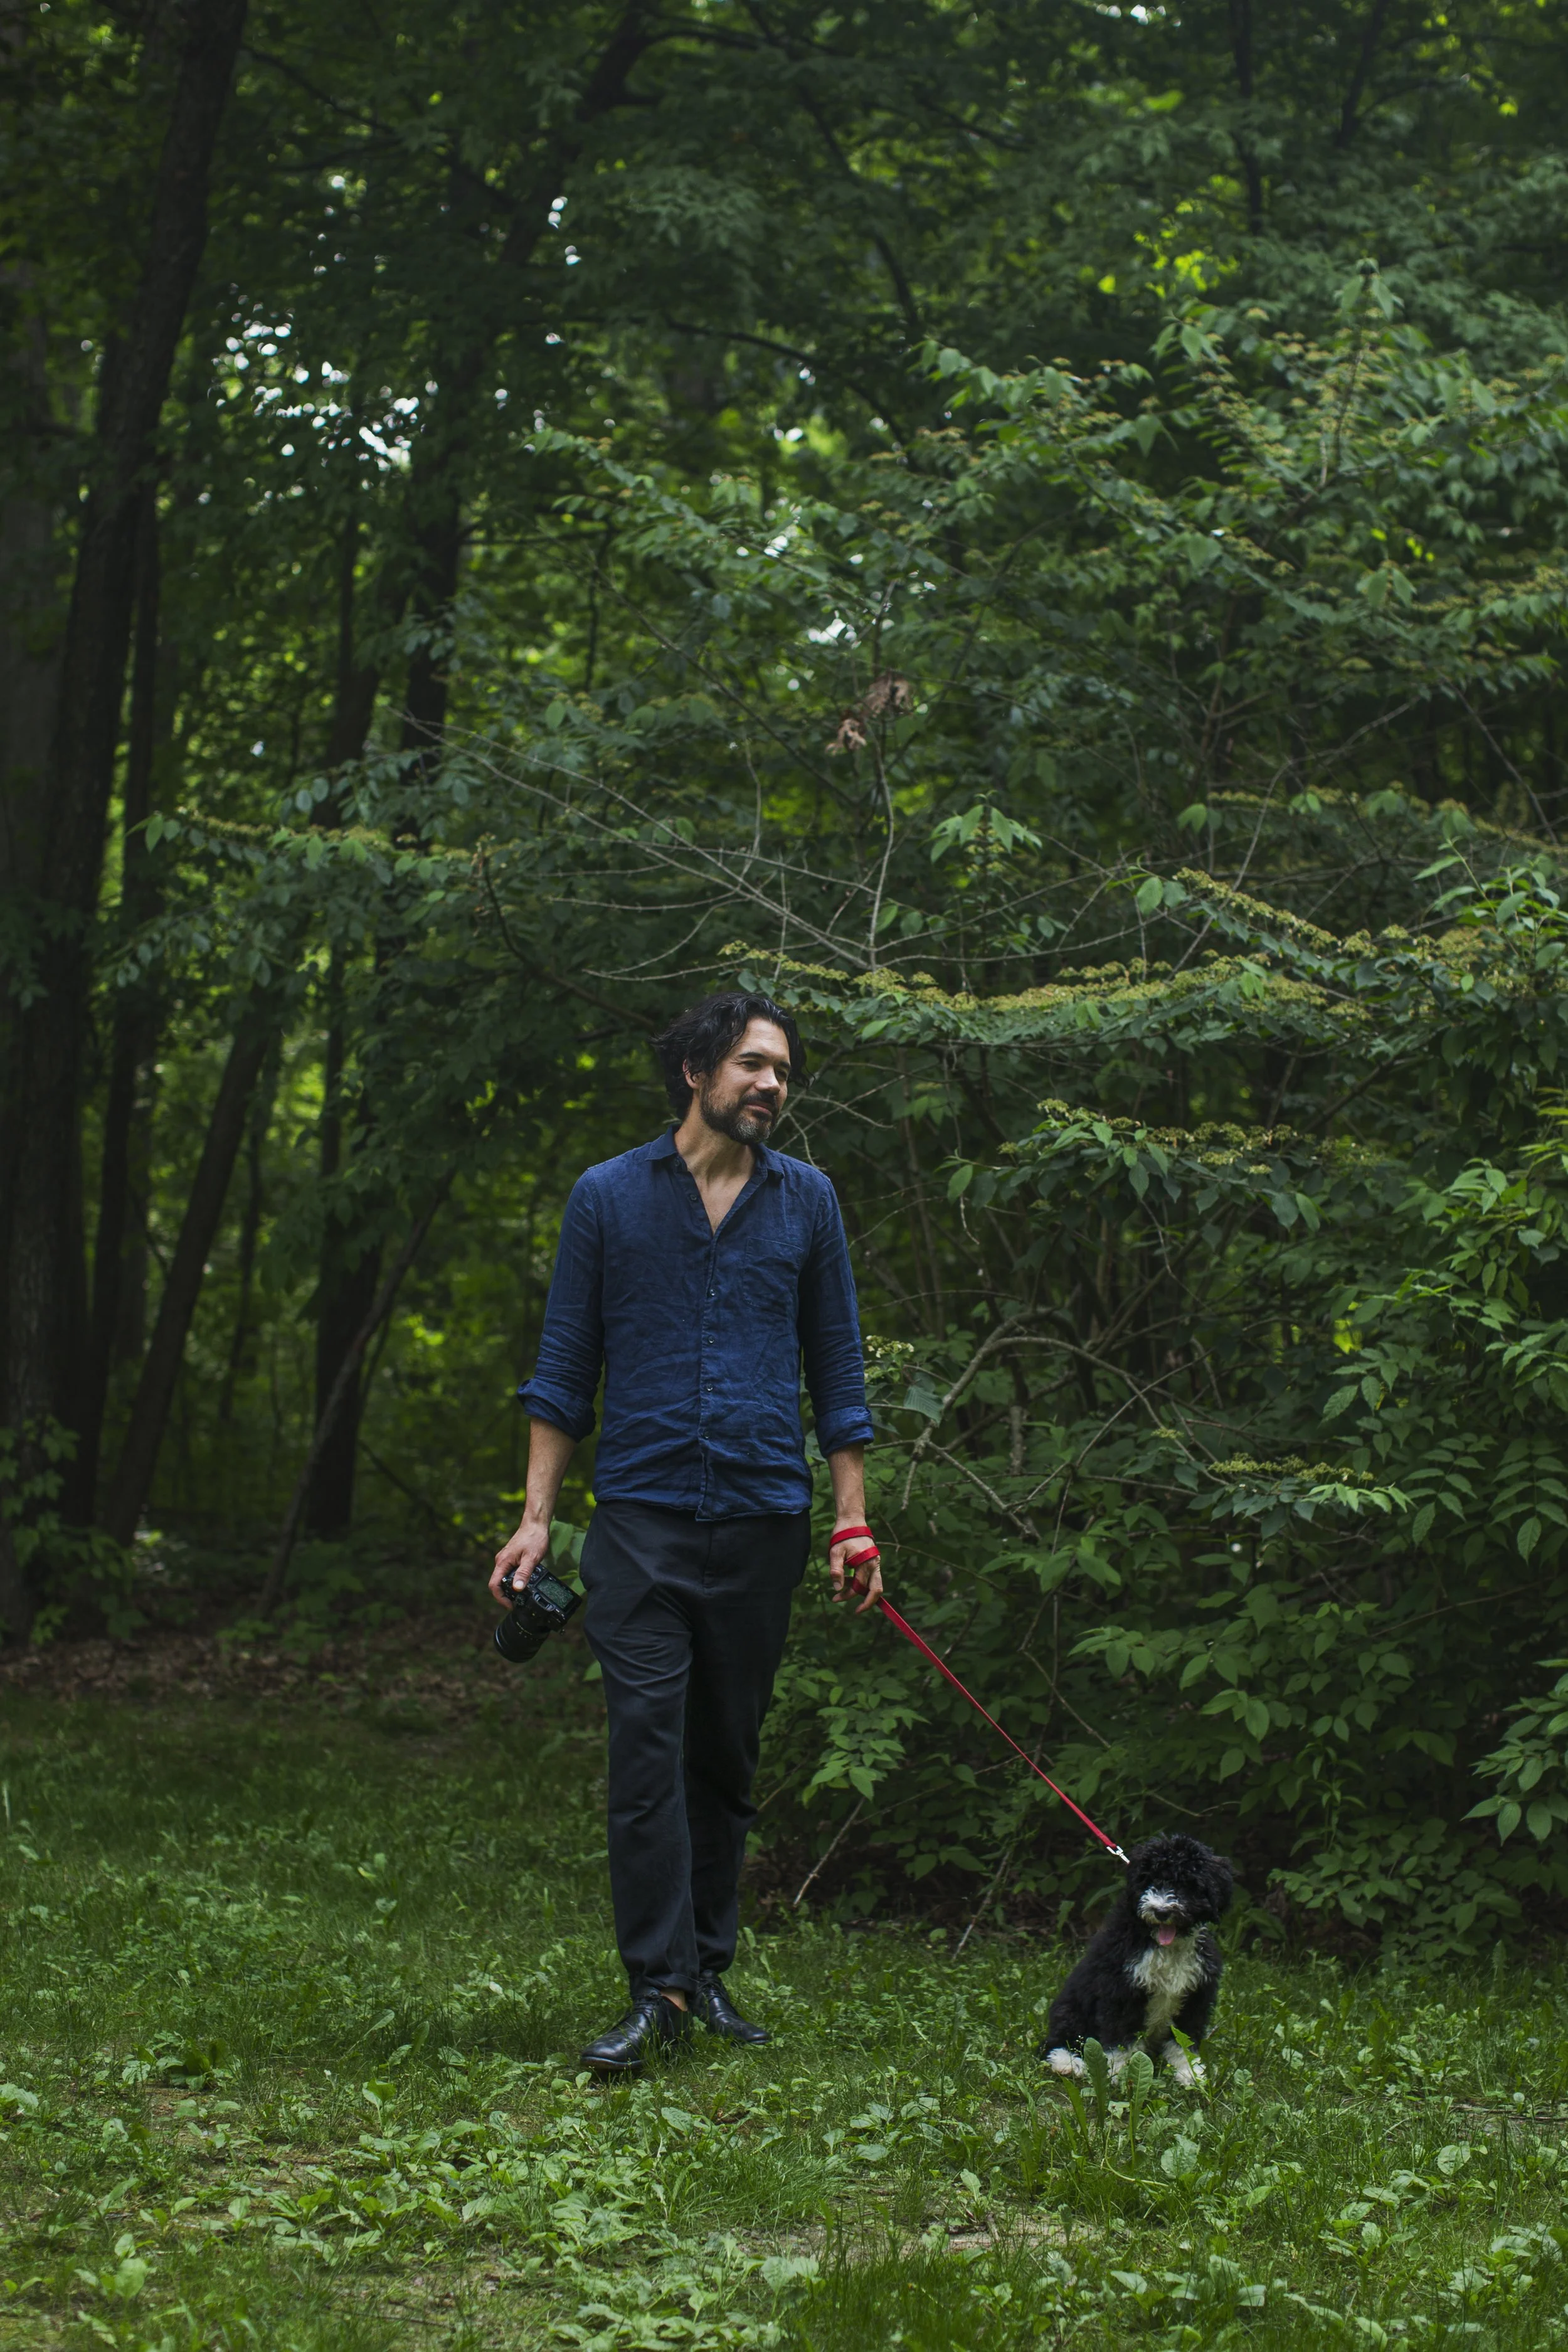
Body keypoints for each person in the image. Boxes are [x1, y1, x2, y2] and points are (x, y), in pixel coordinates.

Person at [491, 991, 882, 2075]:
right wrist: (535, 1524)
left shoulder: (809, 1202)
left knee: (725, 1756)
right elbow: (563, 1373)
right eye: (755, 1064)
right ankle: (655, 1987)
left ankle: (707, 1968)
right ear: (696, 1071)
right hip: (641, 1525)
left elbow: (837, 1370)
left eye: (784, 1072)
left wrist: (853, 1520)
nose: (772, 1085)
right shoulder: (607, 1198)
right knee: (645, 1753)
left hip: (765, 1520)